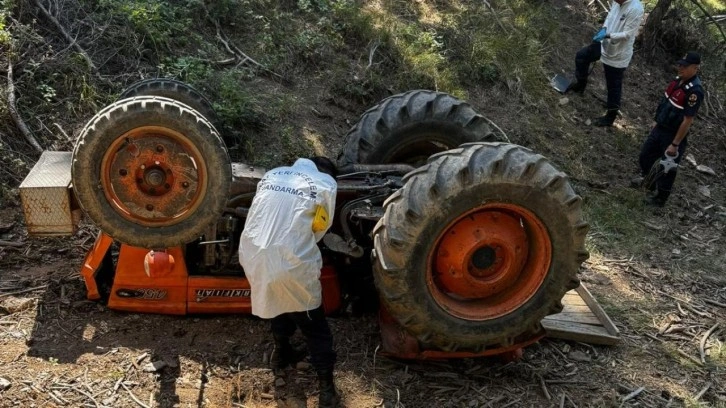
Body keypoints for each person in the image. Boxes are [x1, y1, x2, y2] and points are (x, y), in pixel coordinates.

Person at [238, 156, 341, 408]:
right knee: (314, 327)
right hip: (291, 260)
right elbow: (321, 226)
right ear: (326, 172)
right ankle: (326, 391)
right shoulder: (325, 183)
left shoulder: (272, 174)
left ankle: (281, 354)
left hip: (252, 252)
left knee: (276, 299)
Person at [632, 52, 704, 207]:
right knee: (645, 156)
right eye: (680, 65)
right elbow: (665, 104)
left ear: (695, 68)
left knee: (667, 167)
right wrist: (656, 122)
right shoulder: (677, 81)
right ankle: (649, 181)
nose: (680, 68)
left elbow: (687, 120)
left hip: (673, 134)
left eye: (685, 66)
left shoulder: (695, 91)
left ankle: (660, 198)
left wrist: (675, 143)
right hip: (660, 127)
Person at [566, 0, 644, 127]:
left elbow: (627, 35)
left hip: (618, 53)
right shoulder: (616, 2)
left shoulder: (635, 8)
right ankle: (580, 85)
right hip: (604, 44)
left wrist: (607, 35)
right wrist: (603, 29)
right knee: (582, 56)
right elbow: (610, 17)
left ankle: (610, 116)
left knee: (613, 85)